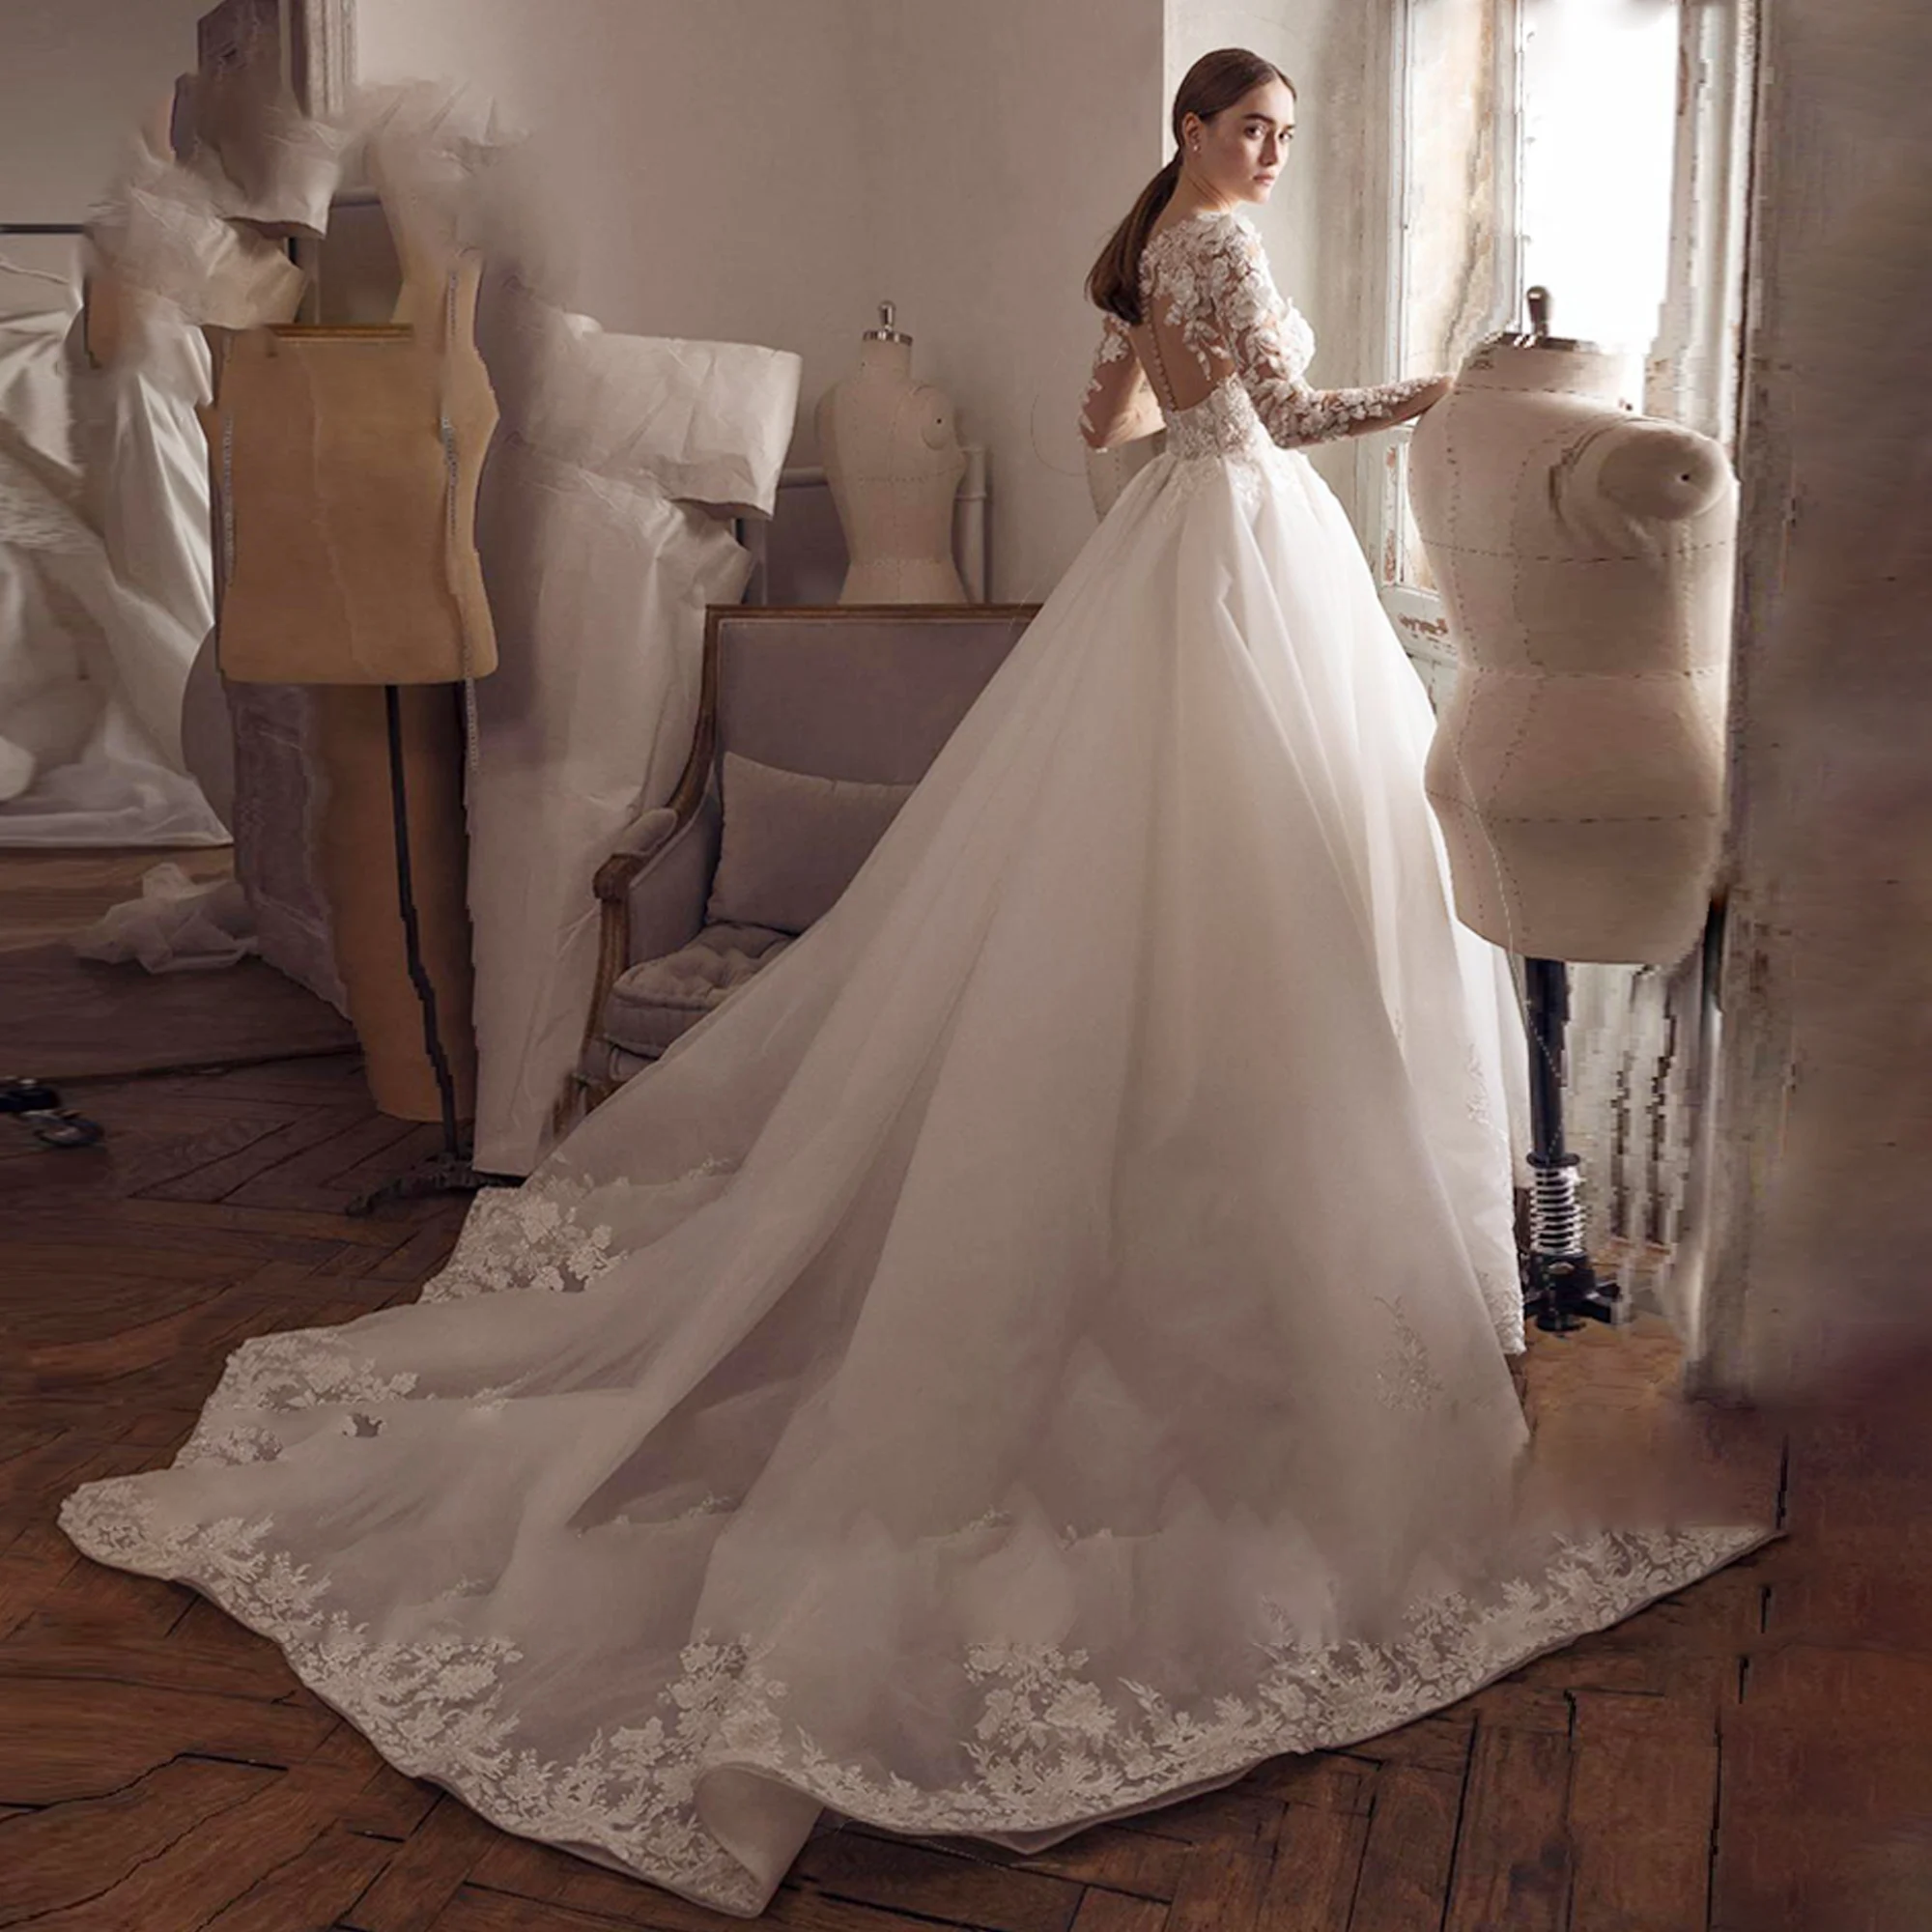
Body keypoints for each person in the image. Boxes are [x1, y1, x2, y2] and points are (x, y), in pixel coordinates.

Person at [60, 48, 1769, 1919]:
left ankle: (1195, 1181)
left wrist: (1190, 452)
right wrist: (1429, 394)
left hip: (1181, 557)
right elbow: (1283, 412)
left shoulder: (1146, 250)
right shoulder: (1214, 247)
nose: (1274, 152)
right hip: (1245, 557)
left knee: (1181, 879)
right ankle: (1241, 1241)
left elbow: (1107, 418)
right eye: (1253, 127)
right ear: (1194, 130)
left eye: (1286, 132)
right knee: (1255, 878)